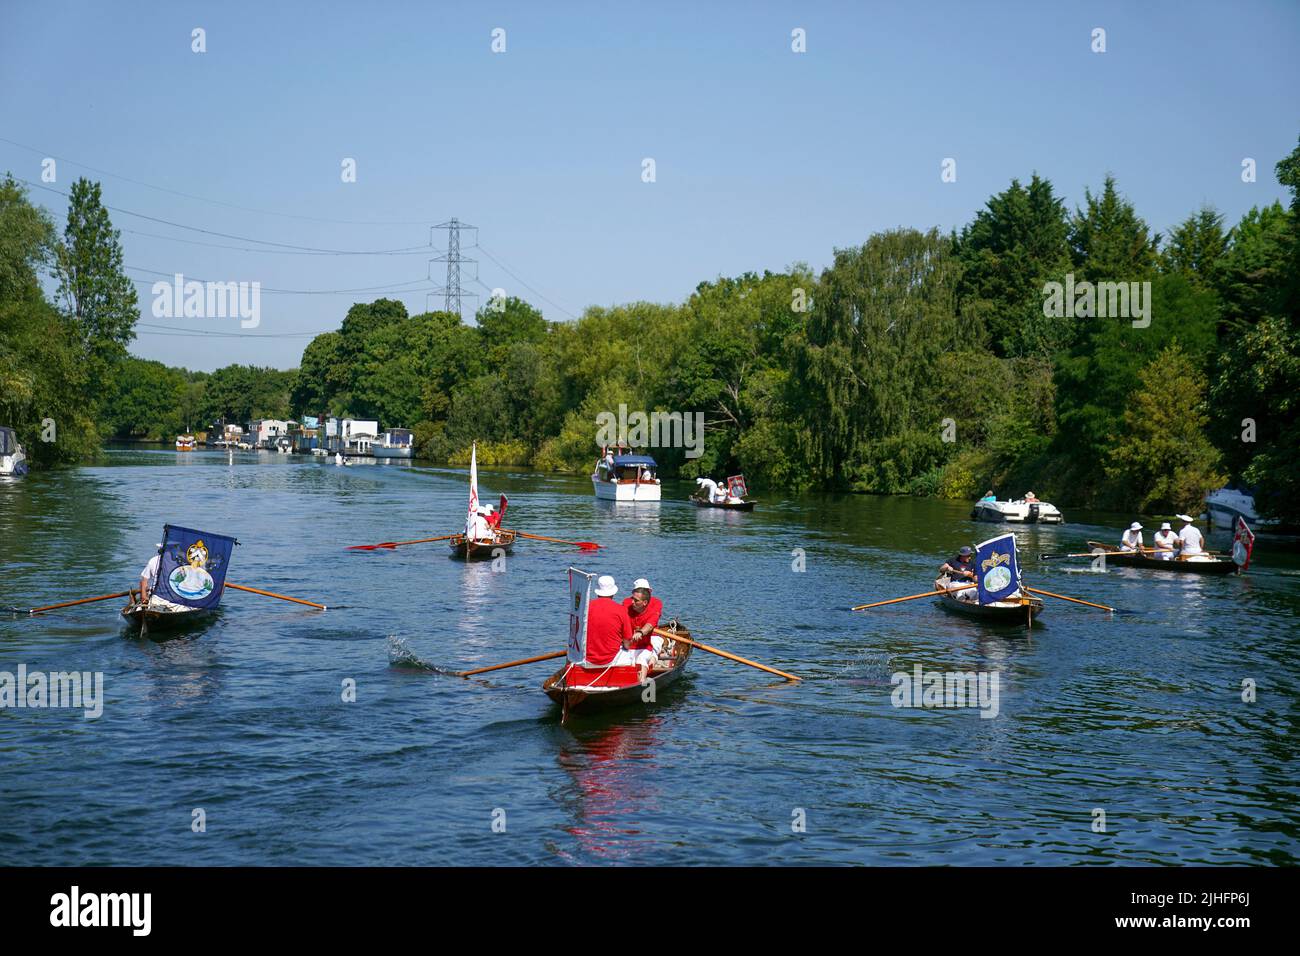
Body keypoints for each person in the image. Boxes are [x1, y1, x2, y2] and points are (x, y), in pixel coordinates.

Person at [585, 575, 656, 679]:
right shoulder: (621, 610)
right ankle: (636, 681)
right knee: (630, 656)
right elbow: (627, 643)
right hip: (611, 659)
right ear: (613, 592)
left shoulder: (585, 607)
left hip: (586, 658)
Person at [623, 578, 664, 654]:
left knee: (653, 652)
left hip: (652, 635)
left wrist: (641, 632)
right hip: (631, 636)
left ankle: (653, 658)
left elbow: (651, 623)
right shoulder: (627, 602)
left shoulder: (656, 603)